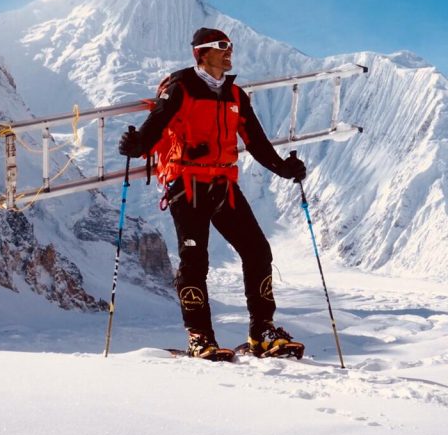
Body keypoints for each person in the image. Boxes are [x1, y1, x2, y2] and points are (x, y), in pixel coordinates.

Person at [118, 27, 307, 360]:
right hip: (186, 186)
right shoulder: (180, 87)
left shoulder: (235, 95)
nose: (229, 51)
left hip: (222, 186)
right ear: (201, 53)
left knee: (258, 250)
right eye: (222, 46)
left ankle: (262, 330)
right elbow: (157, 123)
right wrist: (138, 146)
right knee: (194, 262)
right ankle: (200, 337)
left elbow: (255, 141)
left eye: (230, 45)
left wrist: (283, 168)